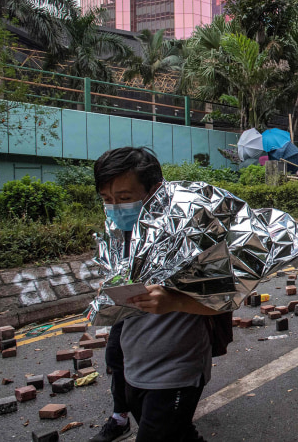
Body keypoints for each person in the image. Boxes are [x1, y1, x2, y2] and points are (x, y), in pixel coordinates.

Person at [91, 147, 221, 442]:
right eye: (106, 200)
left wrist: (174, 301)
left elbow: (224, 301)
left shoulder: (191, 233)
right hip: (134, 369)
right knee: (181, 434)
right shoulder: (117, 234)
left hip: (177, 371)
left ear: (156, 191)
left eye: (124, 198)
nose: (114, 208)